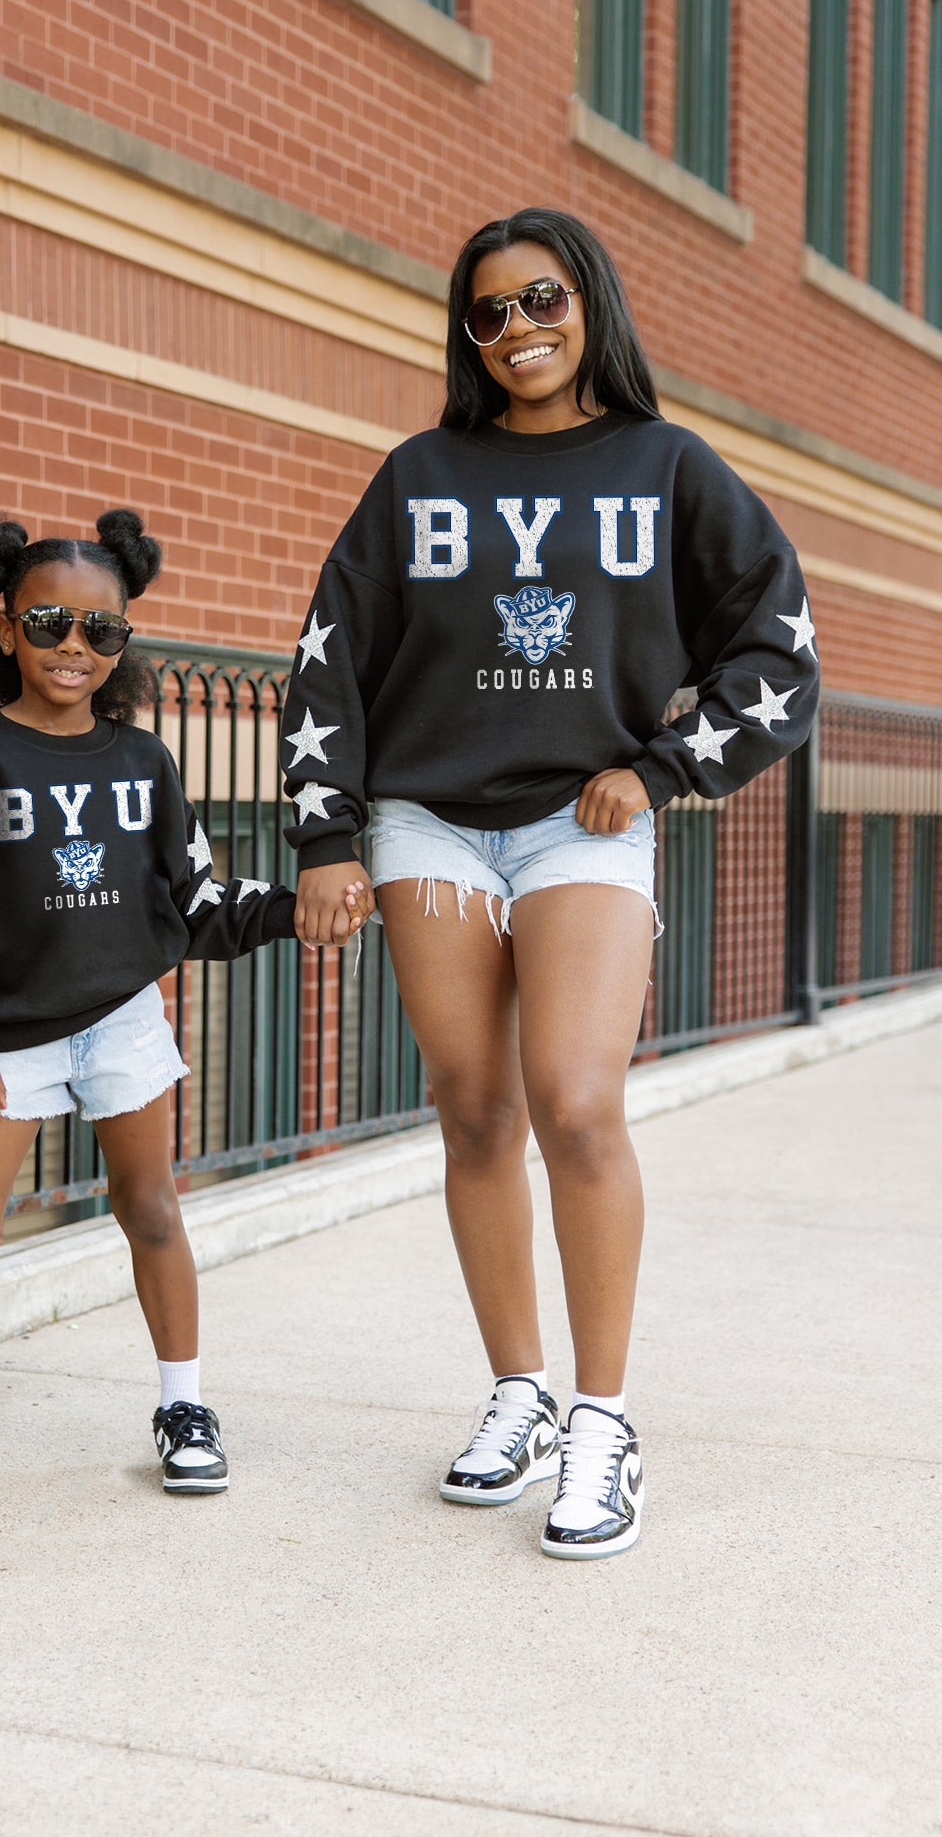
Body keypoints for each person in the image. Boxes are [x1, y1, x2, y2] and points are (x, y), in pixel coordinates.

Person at [283, 209, 818, 1559]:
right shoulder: (420, 475)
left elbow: (777, 648)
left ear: (590, 304)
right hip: (426, 824)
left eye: (541, 300)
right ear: (465, 335)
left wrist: (665, 766)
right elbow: (331, 655)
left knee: (576, 1103)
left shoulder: (666, 465)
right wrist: (325, 837)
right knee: (474, 1112)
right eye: (488, 312)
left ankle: (602, 1420)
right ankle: (516, 1390)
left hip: (582, 820)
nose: (517, 329)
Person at [0, 509, 366, 1543]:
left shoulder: (143, 759)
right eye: (50, 623)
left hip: (122, 1022)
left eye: (102, 630)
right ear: (6, 628)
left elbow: (192, 902)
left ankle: (182, 1407)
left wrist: (294, 910)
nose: (74, 647)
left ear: (122, 642)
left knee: (151, 1211)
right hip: (6, 1039)